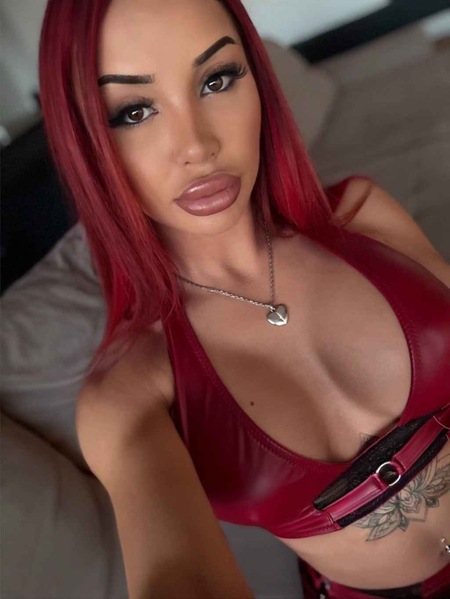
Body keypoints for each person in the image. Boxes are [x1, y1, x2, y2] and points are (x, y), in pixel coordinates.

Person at [38, 0, 450, 597]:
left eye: (217, 79)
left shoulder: (365, 216)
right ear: (85, 143)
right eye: (133, 111)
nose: (198, 145)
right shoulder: (131, 394)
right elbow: (179, 578)